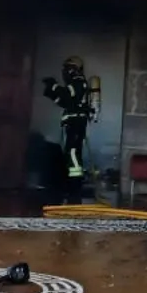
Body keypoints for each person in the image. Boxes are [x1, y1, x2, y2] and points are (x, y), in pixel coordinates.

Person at [41, 56, 94, 204]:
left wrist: (54, 86)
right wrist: (51, 92)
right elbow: (65, 101)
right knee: (69, 153)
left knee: (72, 153)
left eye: (69, 68)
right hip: (72, 123)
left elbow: (66, 94)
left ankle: (75, 188)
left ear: (75, 69)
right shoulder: (75, 83)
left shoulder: (78, 82)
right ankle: (71, 187)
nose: (66, 71)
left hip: (76, 123)